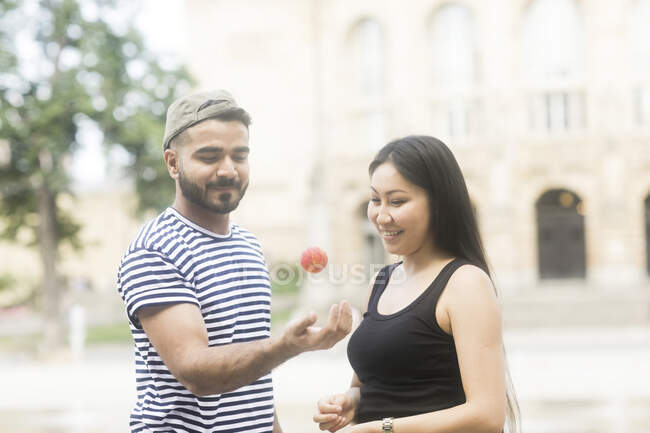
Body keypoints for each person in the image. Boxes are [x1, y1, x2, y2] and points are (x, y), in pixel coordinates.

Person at [117, 89, 352, 433]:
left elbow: (251, 377)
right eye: (209, 156)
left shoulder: (248, 246)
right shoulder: (155, 249)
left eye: (239, 156)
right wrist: (285, 346)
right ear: (172, 163)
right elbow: (195, 371)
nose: (228, 170)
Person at [313, 136, 519, 433]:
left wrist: (377, 429)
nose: (382, 216)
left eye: (397, 201)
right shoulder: (380, 282)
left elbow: (487, 416)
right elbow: (378, 385)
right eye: (375, 200)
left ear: (439, 204)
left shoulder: (465, 284)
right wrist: (350, 401)